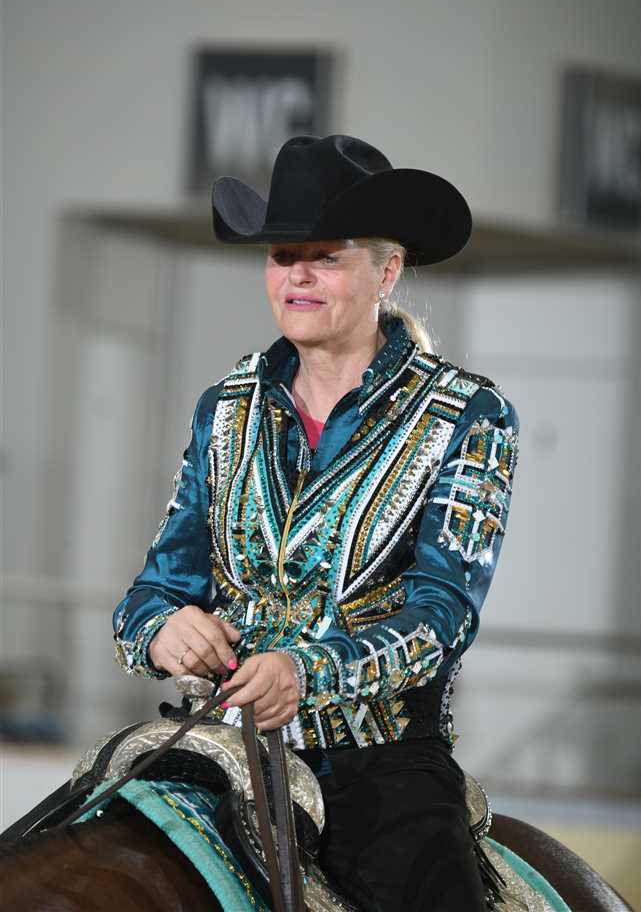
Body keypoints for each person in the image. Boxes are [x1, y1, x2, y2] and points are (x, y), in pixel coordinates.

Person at [113, 134, 520, 911]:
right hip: (216, 744)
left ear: (386, 272)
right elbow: (151, 593)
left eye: (325, 257)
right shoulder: (225, 409)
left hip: (380, 766)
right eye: (282, 256)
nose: (297, 275)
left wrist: (306, 673)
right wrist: (162, 630)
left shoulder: (466, 415)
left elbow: (441, 617)